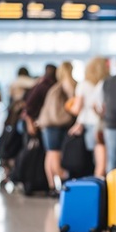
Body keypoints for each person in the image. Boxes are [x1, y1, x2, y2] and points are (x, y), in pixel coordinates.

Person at [36, 61, 77, 193]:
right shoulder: (68, 84)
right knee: (55, 154)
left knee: (50, 153)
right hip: (57, 124)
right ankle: (63, 180)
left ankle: (52, 185)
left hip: (47, 124)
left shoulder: (55, 86)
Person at [69, 57, 109, 177]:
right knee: (102, 159)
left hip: (92, 125)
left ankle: (98, 187)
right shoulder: (106, 84)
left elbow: (77, 109)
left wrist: (68, 107)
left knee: (97, 161)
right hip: (104, 123)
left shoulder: (83, 85)